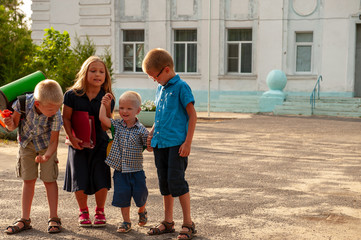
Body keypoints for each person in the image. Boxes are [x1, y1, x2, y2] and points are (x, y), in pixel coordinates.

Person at [142, 48, 197, 240]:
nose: (154, 80)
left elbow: (192, 115)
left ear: (166, 70)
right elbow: (160, 116)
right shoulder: (160, 88)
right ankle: (168, 222)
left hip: (177, 145)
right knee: (164, 183)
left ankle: (188, 223)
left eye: (154, 76)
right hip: (161, 144)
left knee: (177, 182)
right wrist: (151, 134)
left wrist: (188, 142)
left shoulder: (182, 87)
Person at [3, 79, 64, 234]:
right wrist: (8, 122)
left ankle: (54, 218)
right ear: (37, 104)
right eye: (51, 109)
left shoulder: (56, 112)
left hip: (46, 146)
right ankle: (25, 219)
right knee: (28, 180)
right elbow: (12, 127)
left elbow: (54, 140)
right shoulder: (21, 104)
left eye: (57, 108)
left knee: (49, 180)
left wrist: (47, 156)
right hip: (26, 145)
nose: (55, 111)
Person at [62, 56, 114, 228]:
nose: (97, 74)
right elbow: (66, 119)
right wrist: (71, 136)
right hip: (78, 144)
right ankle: (83, 211)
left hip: (100, 144)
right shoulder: (71, 95)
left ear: (105, 76)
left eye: (101, 72)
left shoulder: (108, 97)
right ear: (85, 73)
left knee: (101, 177)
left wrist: (106, 107)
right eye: (93, 71)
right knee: (80, 177)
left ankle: (100, 211)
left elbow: (106, 125)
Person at [99, 91, 150, 233]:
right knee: (123, 196)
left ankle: (142, 210)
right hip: (120, 171)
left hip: (137, 171)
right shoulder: (117, 125)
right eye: (121, 108)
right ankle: (126, 221)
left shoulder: (141, 130)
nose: (124, 111)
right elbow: (102, 118)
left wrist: (152, 141)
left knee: (141, 195)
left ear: (138, 111)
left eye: (129, 108)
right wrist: (104, 104)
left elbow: (149, 148)